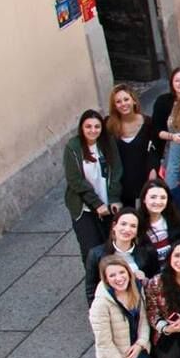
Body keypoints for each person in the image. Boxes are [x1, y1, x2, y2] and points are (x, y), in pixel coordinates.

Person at [65, 110, 122, 265]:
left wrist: (114, 198)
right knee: (91, 249)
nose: (93, 130)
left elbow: (116, 170)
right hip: (85, 207)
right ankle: (93, 286)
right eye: (88, 126)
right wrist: (97, 204)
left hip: (108, 204)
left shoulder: (107, 143)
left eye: (97, 126)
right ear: (81, 128)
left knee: (111, 246)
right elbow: (75, 180)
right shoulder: (73, 147)